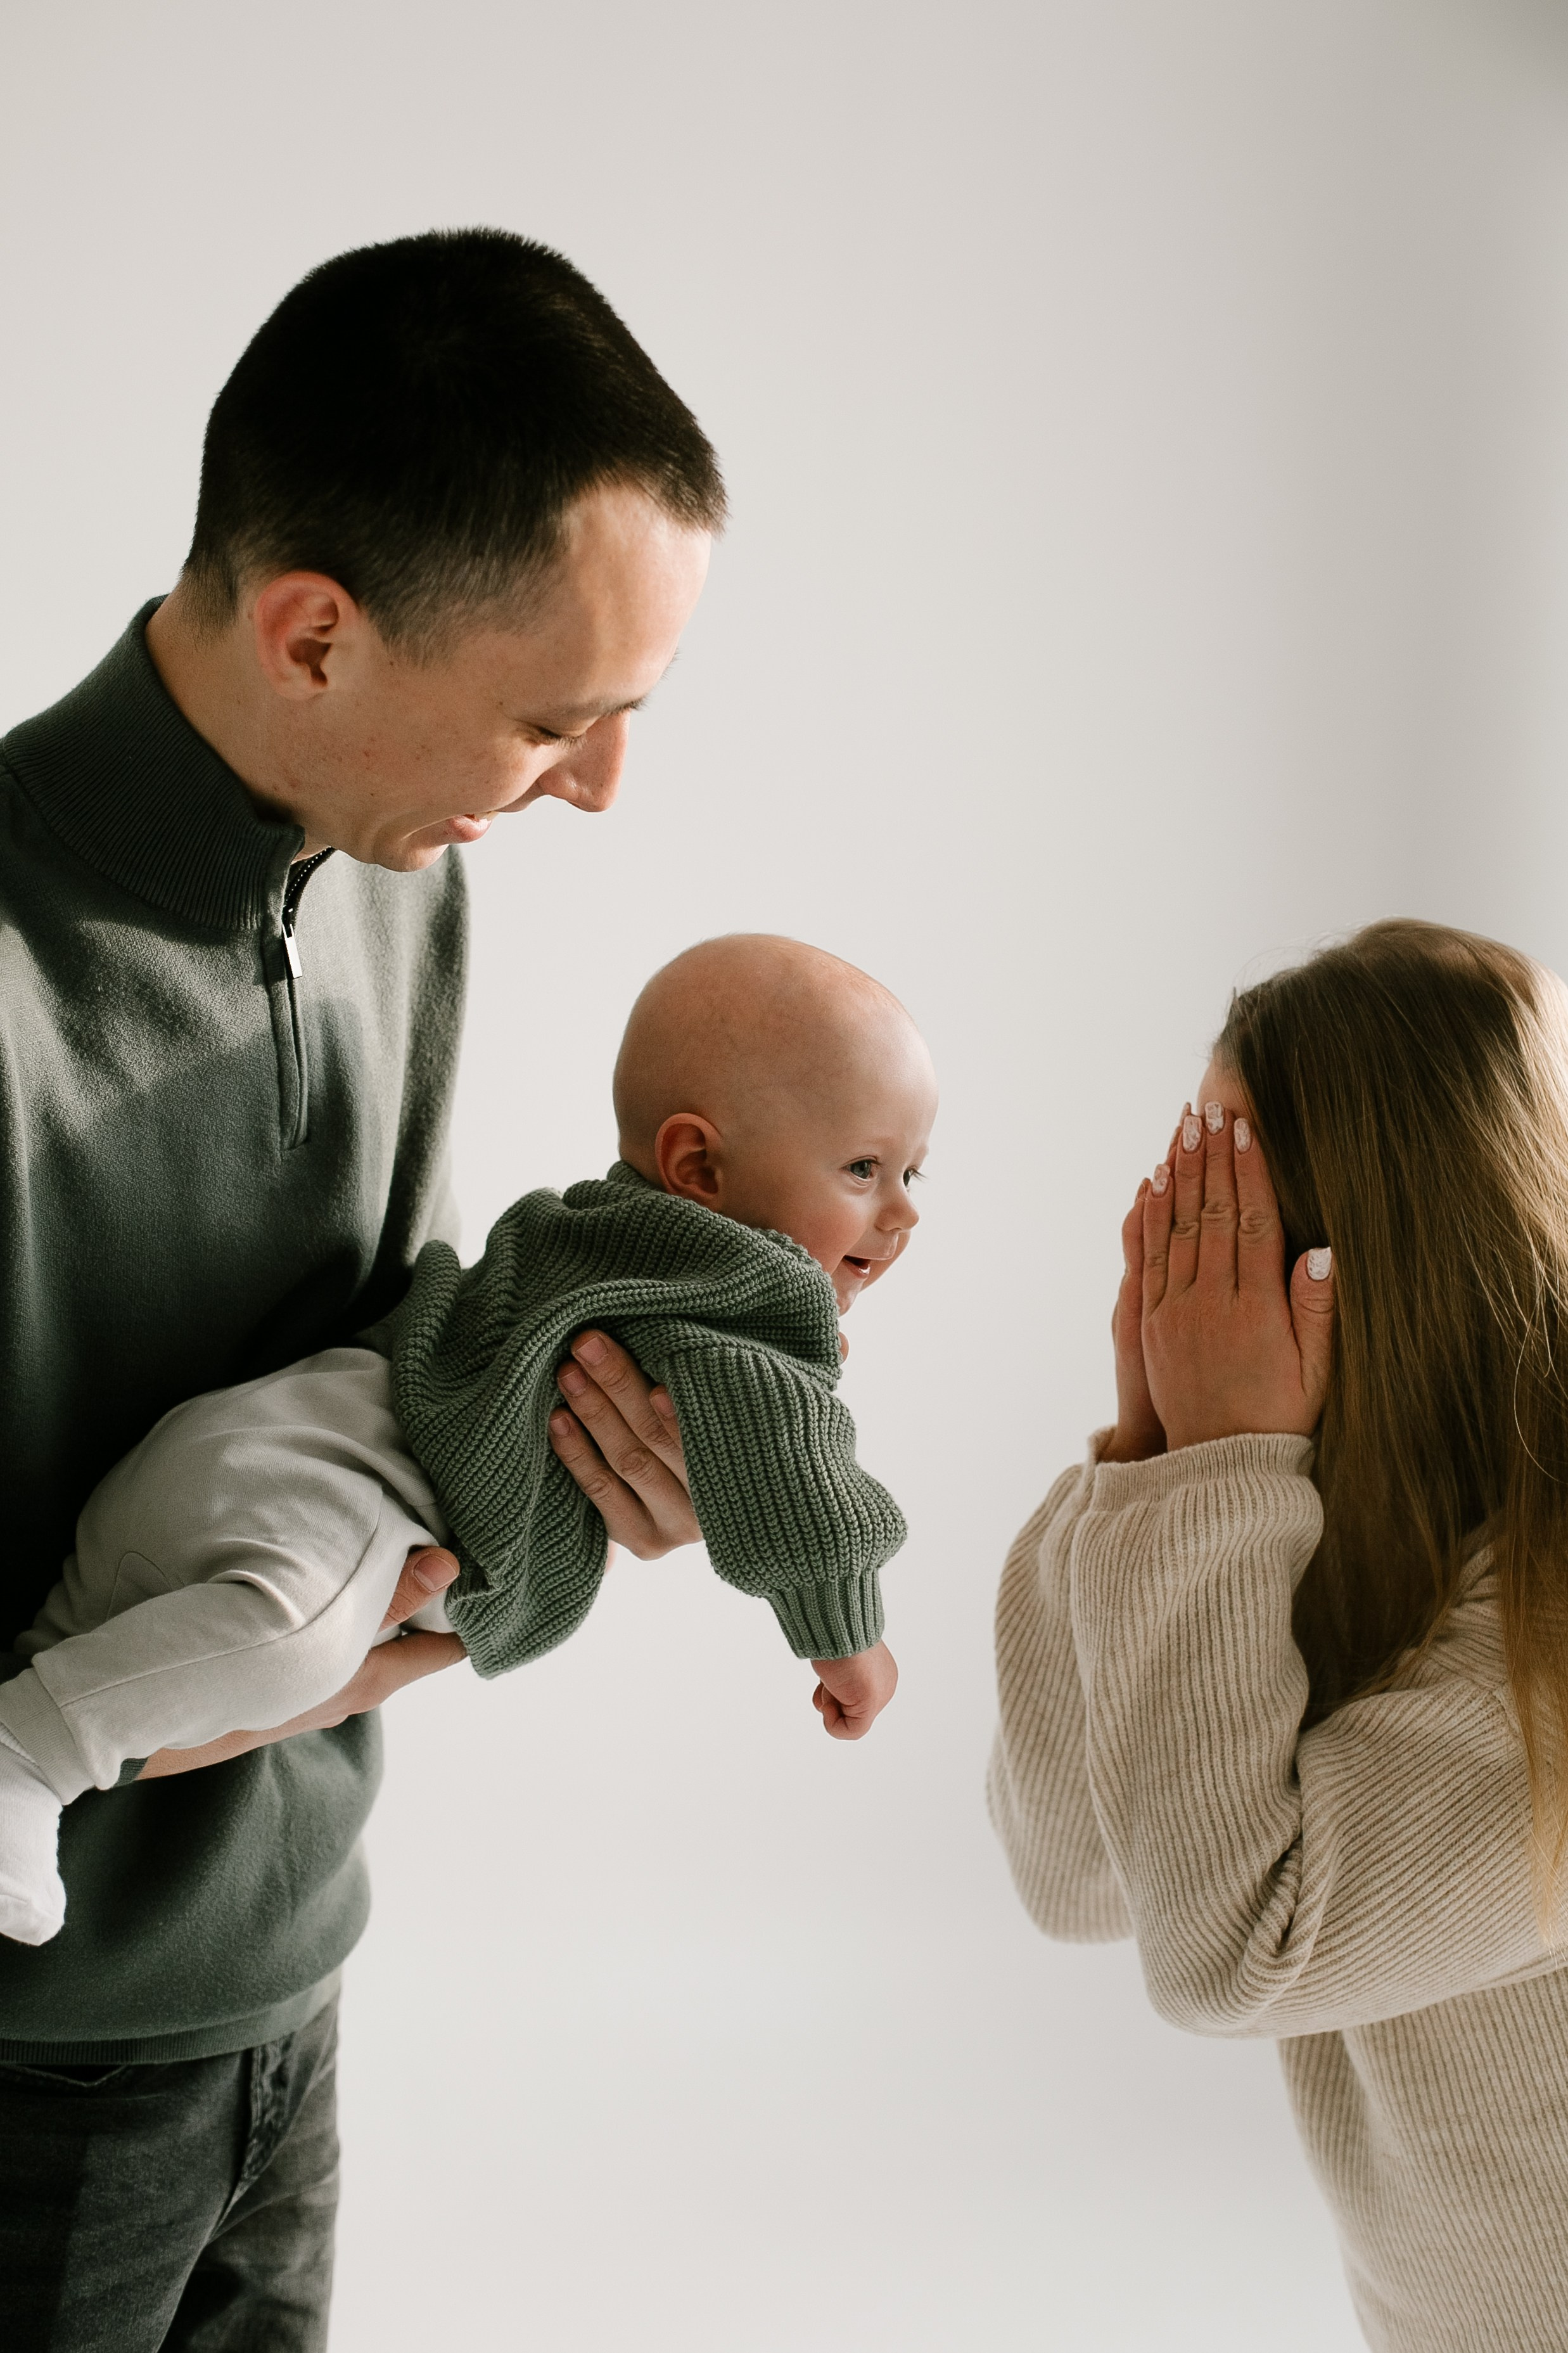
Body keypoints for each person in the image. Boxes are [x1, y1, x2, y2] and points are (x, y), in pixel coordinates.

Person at [0, 228, 722, 2349]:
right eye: (554, 719)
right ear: (313, 633)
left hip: (290, 1978)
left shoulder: (403, 886)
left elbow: (356, 1391)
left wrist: (557, 1497)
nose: (596, 787)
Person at [0, 934, 936, 1944]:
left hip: (277, 1440)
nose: (902, 1215)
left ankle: (41, 1717)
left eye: (916, 1174)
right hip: (348, 1478)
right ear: (698, 1164)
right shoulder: (746, 1286)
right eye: (863, 1168)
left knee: (143, 1634)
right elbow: (794, 1478)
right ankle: (29, 1747)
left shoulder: (609, 1233)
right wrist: (851, 1642)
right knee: (293, 1641)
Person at [989, 918, 1568, 2353]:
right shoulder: (1304, 1521)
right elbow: (1073, 1871)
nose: (1182, 1238)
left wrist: (1208, 1473)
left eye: (1224, 1189)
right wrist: (1142, 1465)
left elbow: (1230, 1950)